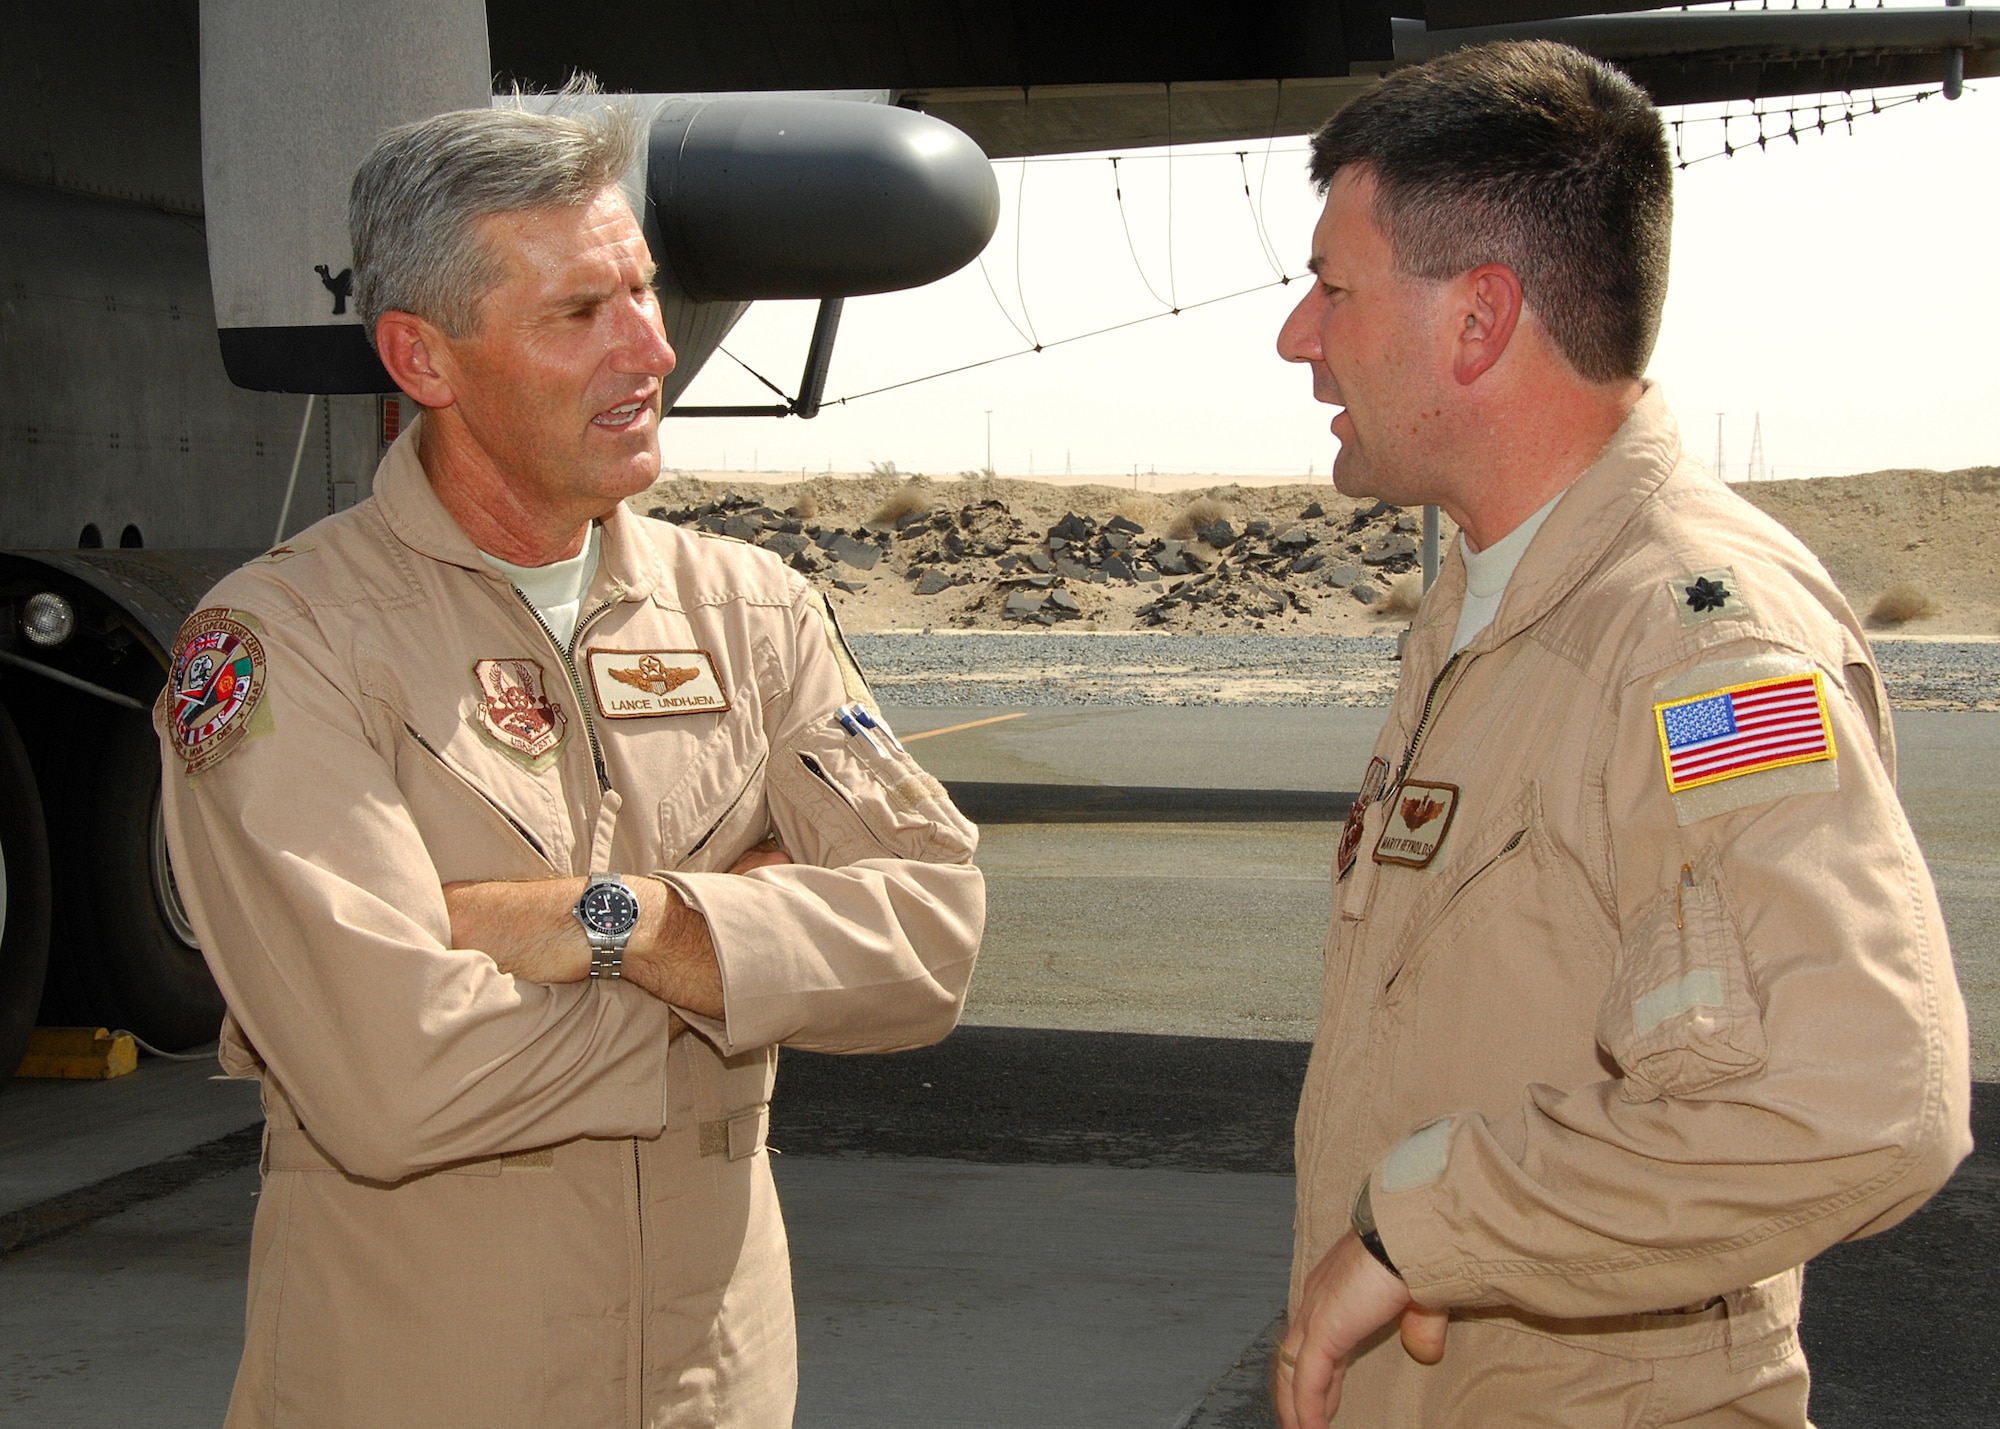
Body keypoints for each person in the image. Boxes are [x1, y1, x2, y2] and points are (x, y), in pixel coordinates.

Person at [155, 102, 984, 1428]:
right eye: (580, 311)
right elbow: (391, 1082)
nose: (653, 349)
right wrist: (751, 958)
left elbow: (933, 941)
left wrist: (621, 919)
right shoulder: (282, 643)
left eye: (646, 292)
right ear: (423, 357)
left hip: (713, 1395)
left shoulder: (751, 609)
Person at [1270, 41, 1969, 1427]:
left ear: (1478, 321)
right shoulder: (1493, 598)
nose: (1300, 335)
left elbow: (1864, 1099)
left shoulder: (1695, 643)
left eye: (1333, 288)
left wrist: (1432, 1223)